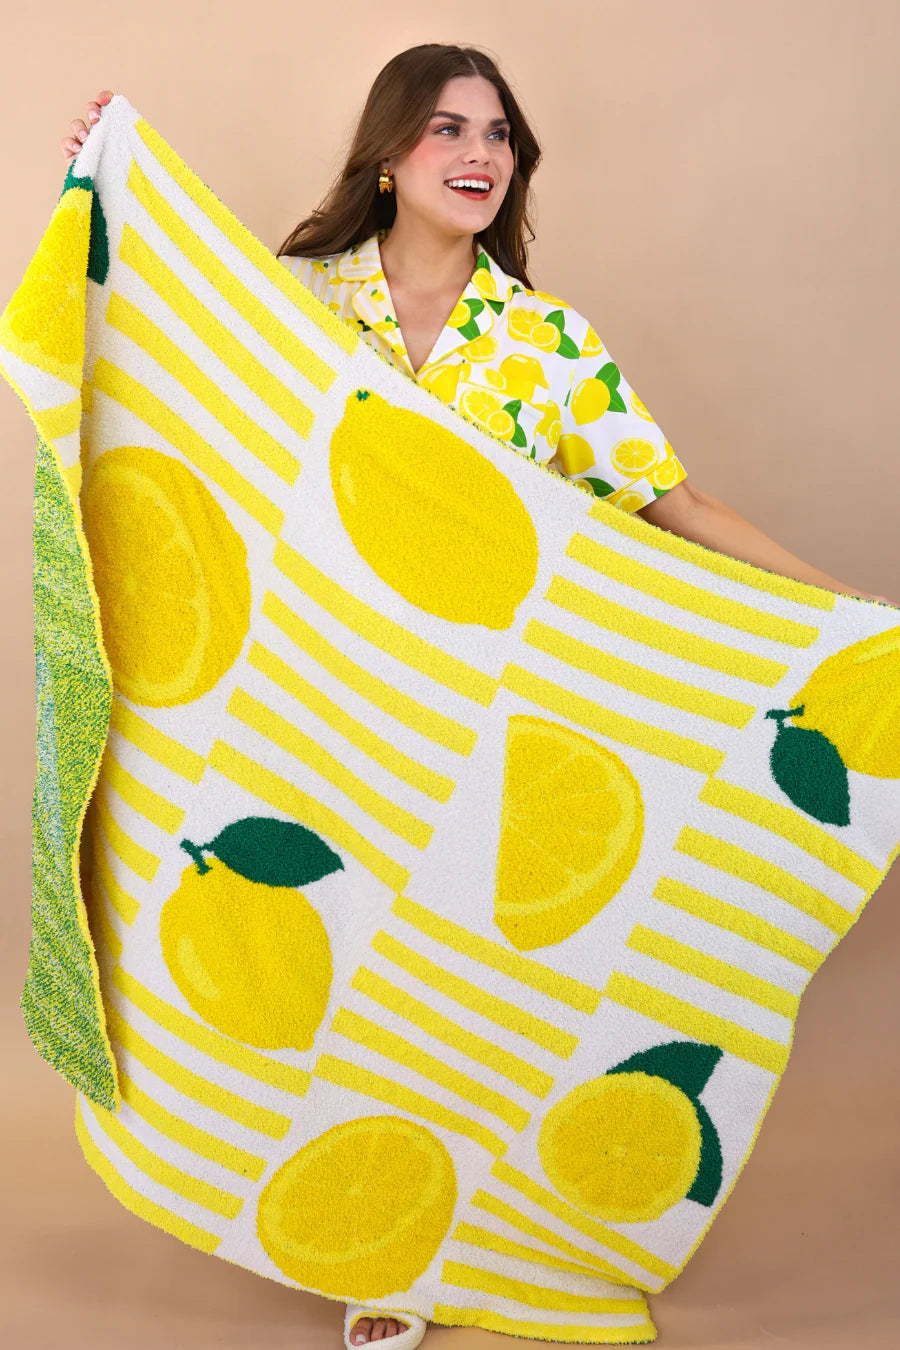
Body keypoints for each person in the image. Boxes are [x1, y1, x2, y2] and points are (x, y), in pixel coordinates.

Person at [60, 46, 895, 1350]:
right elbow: (184, 383)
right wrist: (108, 189)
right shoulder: (296, 302)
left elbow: (677, 504)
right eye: (448, 127)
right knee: (294, 960)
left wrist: (864, 621)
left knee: (428, 985)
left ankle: (397, 1259)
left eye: (499, 134)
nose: (479, 153)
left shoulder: (548, 345)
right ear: (389, 154)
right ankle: (251, 1178)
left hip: (461, 733)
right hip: (305, 708)